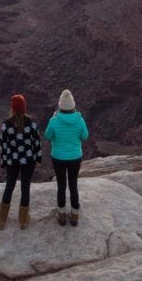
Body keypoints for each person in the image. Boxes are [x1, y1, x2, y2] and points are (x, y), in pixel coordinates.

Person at [43, 89, 89, 227]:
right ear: (72, 106)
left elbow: (48, 136)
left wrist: (53, 120)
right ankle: (74, 215)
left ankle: (62, 215)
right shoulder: (79, 120)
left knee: (61, 185)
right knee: (73, 184)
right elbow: (85, 136)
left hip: (58, 158)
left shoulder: (54, 120)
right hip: (75, 157)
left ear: (60, 106)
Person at [0, 93, 41, 230]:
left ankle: (2, 220)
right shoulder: (31, 123)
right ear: (24, 107)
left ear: (12, 108)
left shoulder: (6, 125)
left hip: (12, 161)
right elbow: (37, 142)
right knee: (25, 188)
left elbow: (3, 145)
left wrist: (4, 161)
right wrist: (38, 157)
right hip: (28, 160)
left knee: (9, 187)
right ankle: (22, 221)